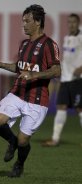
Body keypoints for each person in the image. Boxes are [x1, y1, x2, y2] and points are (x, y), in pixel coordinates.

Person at [0, 4, 61, 177]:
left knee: (24, 140)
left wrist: (35, 75)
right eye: (23, 21)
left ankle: (19, 164)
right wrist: (2, 64)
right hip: (18, 93)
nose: (24, 25)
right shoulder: (24, 44)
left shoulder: (49, 44)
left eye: (27, 21)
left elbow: (57, 70)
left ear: (37, 22)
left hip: (37, 99)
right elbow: (20, 67)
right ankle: (11, 142)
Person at [42, 14, 82, 147]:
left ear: (78, 23)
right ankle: (55, 139)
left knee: (79, 109)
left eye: (74, 22)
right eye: (69, 22)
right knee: (61, 107)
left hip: (77, 79)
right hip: (65, 79)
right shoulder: (66, 38)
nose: (71, 25)